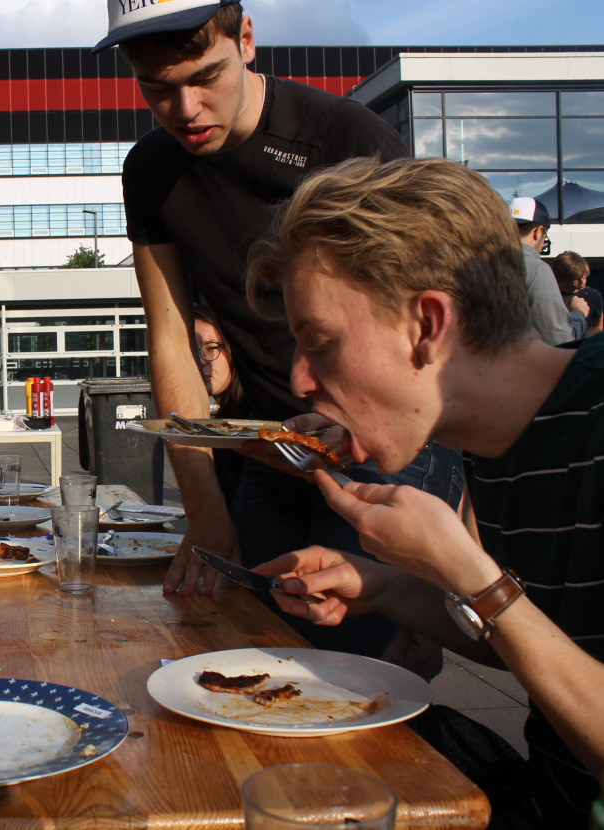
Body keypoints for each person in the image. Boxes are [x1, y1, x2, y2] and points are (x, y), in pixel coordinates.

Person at [96, 0, 462, 665]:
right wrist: (204, 510)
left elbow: (422, 325)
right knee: (255, 644)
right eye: (157, 88)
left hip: (383, 436)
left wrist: (364, 424)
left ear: (247, 39)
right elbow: (170, 337)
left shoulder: (343, 138)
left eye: (204, 76)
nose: (184, 110)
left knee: (346, 655)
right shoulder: (149, 169)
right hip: (275, 444)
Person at [247, 155, 604, 826]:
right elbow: (543, 644)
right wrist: (384, 585)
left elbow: (505, 614)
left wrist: (472, 575)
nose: (298, 381)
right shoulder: (495, 442)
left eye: (318, 342)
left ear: (427, 327)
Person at [508, 196, 586, 344]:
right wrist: (578, 314)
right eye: (545, 236)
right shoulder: (536, 269)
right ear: (538, 231)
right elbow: (560, 339)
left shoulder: (478, 264)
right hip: (521, 364)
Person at [193, 307, 244, 504]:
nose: (201, 361)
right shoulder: (226, 417)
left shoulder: (244, 423)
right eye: (193, 351)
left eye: (212, 348)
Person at [552, 250, 602, 336]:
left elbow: (597, 325)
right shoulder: (551, 295)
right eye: (576, 279)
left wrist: (585, 341)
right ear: (563, 278)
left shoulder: (593, 295)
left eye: (585, 276)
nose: (582, 281)